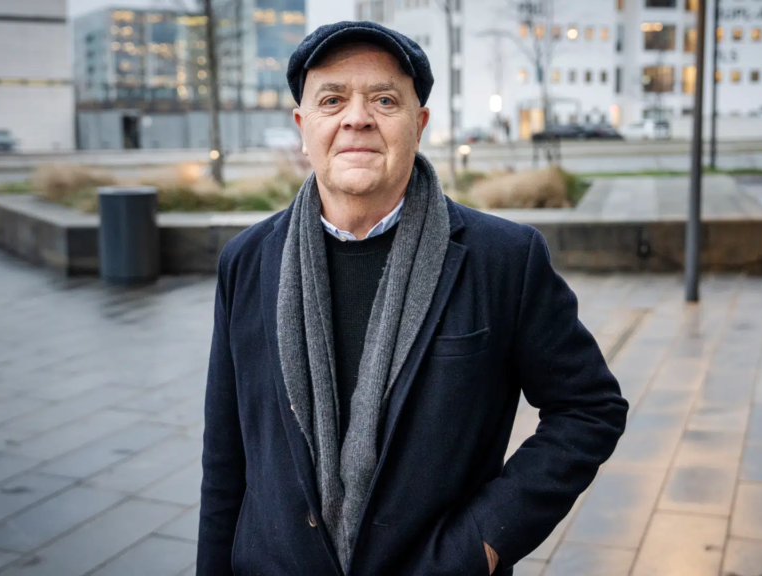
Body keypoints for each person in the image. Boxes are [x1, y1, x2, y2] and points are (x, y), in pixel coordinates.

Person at [197, 21, 627, 576]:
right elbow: (225, 457)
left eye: (384, 100)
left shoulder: (503, 259)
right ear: (304, 127)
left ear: (418, 125)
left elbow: (589, 407)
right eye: (332, 100)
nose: (357, 118)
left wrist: (483, 542)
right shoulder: (247, 261)